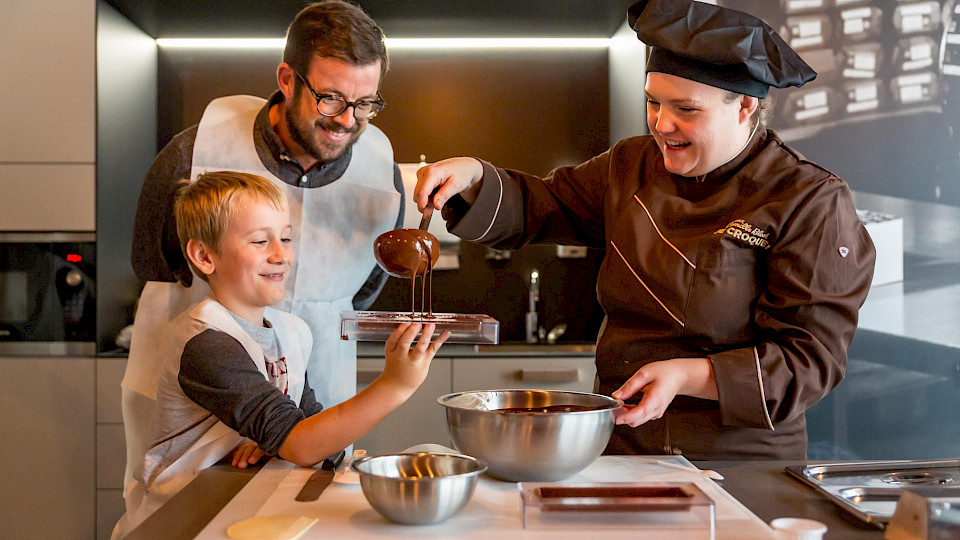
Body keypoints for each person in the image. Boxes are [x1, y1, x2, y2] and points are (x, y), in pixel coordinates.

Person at [414, 0, 876, 460]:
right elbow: (541, 204)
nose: (661, 123)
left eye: (686, 109)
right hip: (623, 446)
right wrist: (473, 177)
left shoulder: (808, 200)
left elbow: (808, 361)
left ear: (744, 106)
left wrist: (688, 375)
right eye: (653, 102)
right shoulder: (629, 166)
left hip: (739, 459)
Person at [123, 0, 401, 489]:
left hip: (304, 411)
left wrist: (275, 423)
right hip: (199, 422)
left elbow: (365, 291)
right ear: (288, 80)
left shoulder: (381, 174)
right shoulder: (195, 153)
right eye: (331, 98)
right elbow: (156, 264)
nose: (346, 120)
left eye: (364, 104)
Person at [112, 171, 448, 538]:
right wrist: (395, 385)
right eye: (260, 241)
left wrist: (279, 443)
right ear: (205, 256)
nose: (281, 255)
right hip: (183, 519)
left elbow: (314, 435)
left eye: (286, 238)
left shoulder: (291, 333)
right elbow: (303, 444)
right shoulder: (207, 343)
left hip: (241, 508)